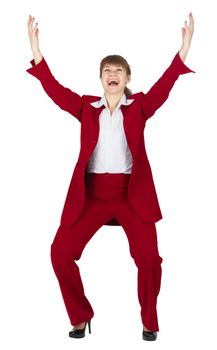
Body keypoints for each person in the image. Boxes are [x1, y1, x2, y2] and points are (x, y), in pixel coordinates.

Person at [26, 13, 194, 341]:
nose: (112, 74)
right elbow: (55, 91)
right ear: (101, 79)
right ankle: (79, 316)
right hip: (91, 195)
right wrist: (36, 52)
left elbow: (164, 86)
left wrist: (183, 50)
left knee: (149, 259)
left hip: (131, 194)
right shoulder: (86, 108)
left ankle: (149, 318)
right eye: (107, 71)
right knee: (59, 253)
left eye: (118, 70)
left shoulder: (140, 106)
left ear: (127, 76)